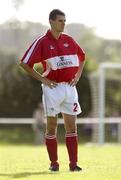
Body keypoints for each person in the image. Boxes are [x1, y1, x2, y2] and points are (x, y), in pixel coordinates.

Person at [19, 9, 86, 172]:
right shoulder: (42, 41)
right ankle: (54, 164)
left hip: (69, 88)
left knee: (72, 127)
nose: (63, 23)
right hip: (52, 88)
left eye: (64, 20)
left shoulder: (69, 40)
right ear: (51, 22)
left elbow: (82, 56)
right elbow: (24, 63)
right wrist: (43, 79)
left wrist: (77, 76)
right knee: (51, 126)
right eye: (60, 21)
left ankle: (73, 165)